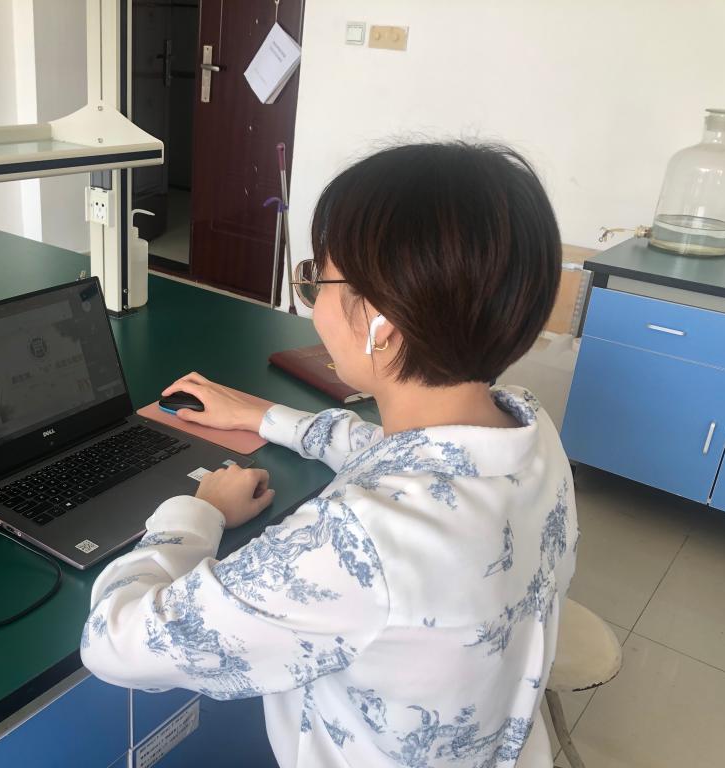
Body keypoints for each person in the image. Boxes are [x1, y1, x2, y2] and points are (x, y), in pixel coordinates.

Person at [80, 142, 578, 768]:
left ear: (382, 323)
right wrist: (262, 416)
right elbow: (409, 459)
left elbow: (114, 642)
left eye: (319, 279)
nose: (312, 302)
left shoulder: (356, 546)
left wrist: (196, 514)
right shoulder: (528, 428)